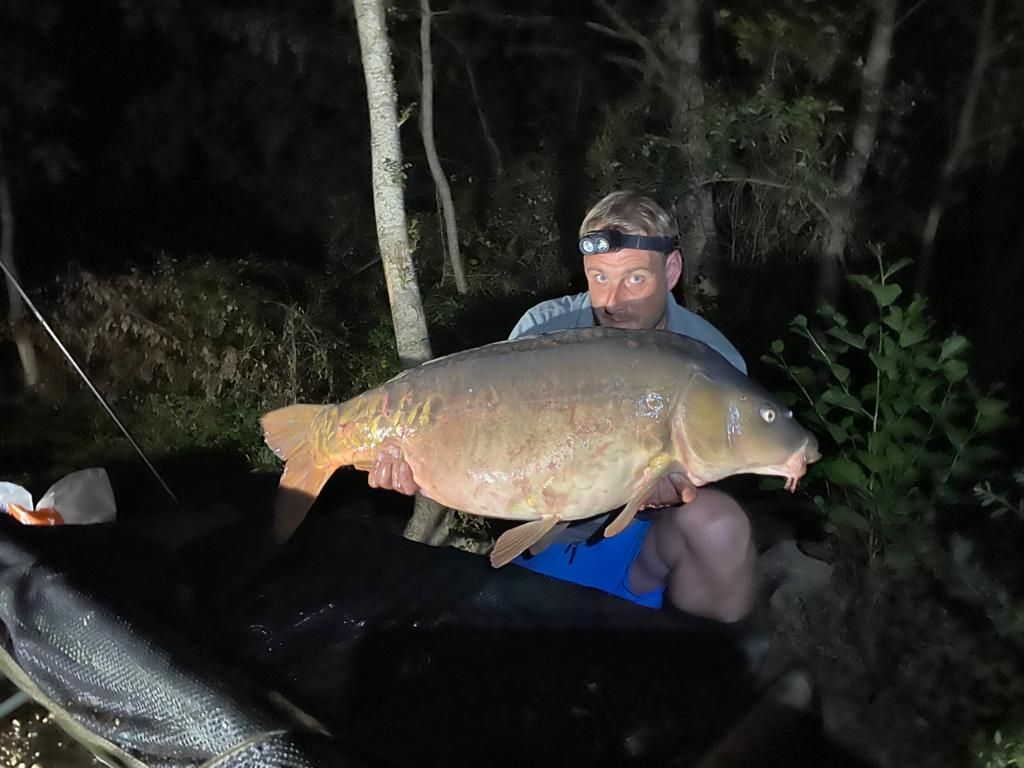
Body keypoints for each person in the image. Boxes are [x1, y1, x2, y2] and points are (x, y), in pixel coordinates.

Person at [368, 190, 756, 628]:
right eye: (599, 277)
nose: (613, 302)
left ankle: (702, 653)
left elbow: (719, 472)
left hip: (644, 548)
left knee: (720, 526)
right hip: (542, 544)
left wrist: (668, 491)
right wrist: (422, 463)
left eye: (634, 279)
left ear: (671, 271)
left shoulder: (714, 362)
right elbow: (494, 450)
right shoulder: (543, 333)